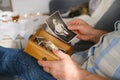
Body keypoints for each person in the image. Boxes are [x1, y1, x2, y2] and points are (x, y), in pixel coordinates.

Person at [0, 19, 120, 80]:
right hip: (77, 62)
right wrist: (93, 34)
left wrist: (77, 75)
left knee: (20, 60)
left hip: (79, 76)